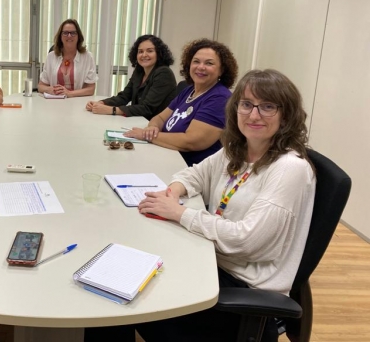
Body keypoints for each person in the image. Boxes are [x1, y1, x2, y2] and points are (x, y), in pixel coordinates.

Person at [86, 69, 316, 342]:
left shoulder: (289, 168)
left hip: (238, 293)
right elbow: (195, 174)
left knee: (112, 301)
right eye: (246, 104)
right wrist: (172, 192)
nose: (254, 115)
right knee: (115, 277)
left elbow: (247, 241)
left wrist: (180, 213)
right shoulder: (240, 149)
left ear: (286, 114)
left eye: (267, 107)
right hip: (211, 262)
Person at [124, 38, 238, 166]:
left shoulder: (220, 98)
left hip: (189, 170)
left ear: (222, 70)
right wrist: (152, 128)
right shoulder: (188, 90)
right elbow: (160, 118)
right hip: (165, 156)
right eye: (196, 62)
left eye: (209, 63)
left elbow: (190, 142)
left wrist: (147, 136)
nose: (201, 67)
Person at [86, 35, 177, 120]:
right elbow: (124, 96)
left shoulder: (164, 73)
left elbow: (147, 108)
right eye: (140, 51)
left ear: (159, 53)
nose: (144, 55)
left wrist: (112, 110)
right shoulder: (139, 71)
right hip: (139, 120)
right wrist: (101, 103)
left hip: (154, 126)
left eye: (150, 51)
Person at [38, 19, 97, 97]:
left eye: (73, 33)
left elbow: (91, 89)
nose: (69, 36)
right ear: (60, 37)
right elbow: (40, 86)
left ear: (78, 36)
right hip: (54, 103)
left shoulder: (88, 57)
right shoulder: (51, 57)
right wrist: (49, 89)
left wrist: (69, 93)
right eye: (65, 33)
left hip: (77, 103)